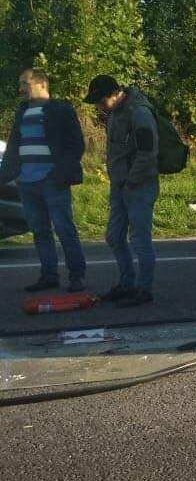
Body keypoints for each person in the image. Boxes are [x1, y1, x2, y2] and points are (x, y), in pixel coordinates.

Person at [0, 68, 87, 292]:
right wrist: (8, 175)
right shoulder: (22, 111)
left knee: (64, 228)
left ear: (41, 84)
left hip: (52, 181)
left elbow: (76, 145)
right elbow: (13, 148)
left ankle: (77, 276)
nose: (21, 89)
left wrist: (58, 173)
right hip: (27, 182)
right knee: (39, 231)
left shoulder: (60, 109)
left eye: (24, 84)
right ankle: (49, 276)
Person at [84, 74, 159, 307]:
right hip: (120, 185)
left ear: (114, 94)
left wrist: (131, 181)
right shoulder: (115, 113)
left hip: (139, 185)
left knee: (139, 239)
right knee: (114, 236)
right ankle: (127, 283)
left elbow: (148, 151)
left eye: (100, 101)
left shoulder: (139, 112)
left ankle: (143, 289)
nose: (98, 106)